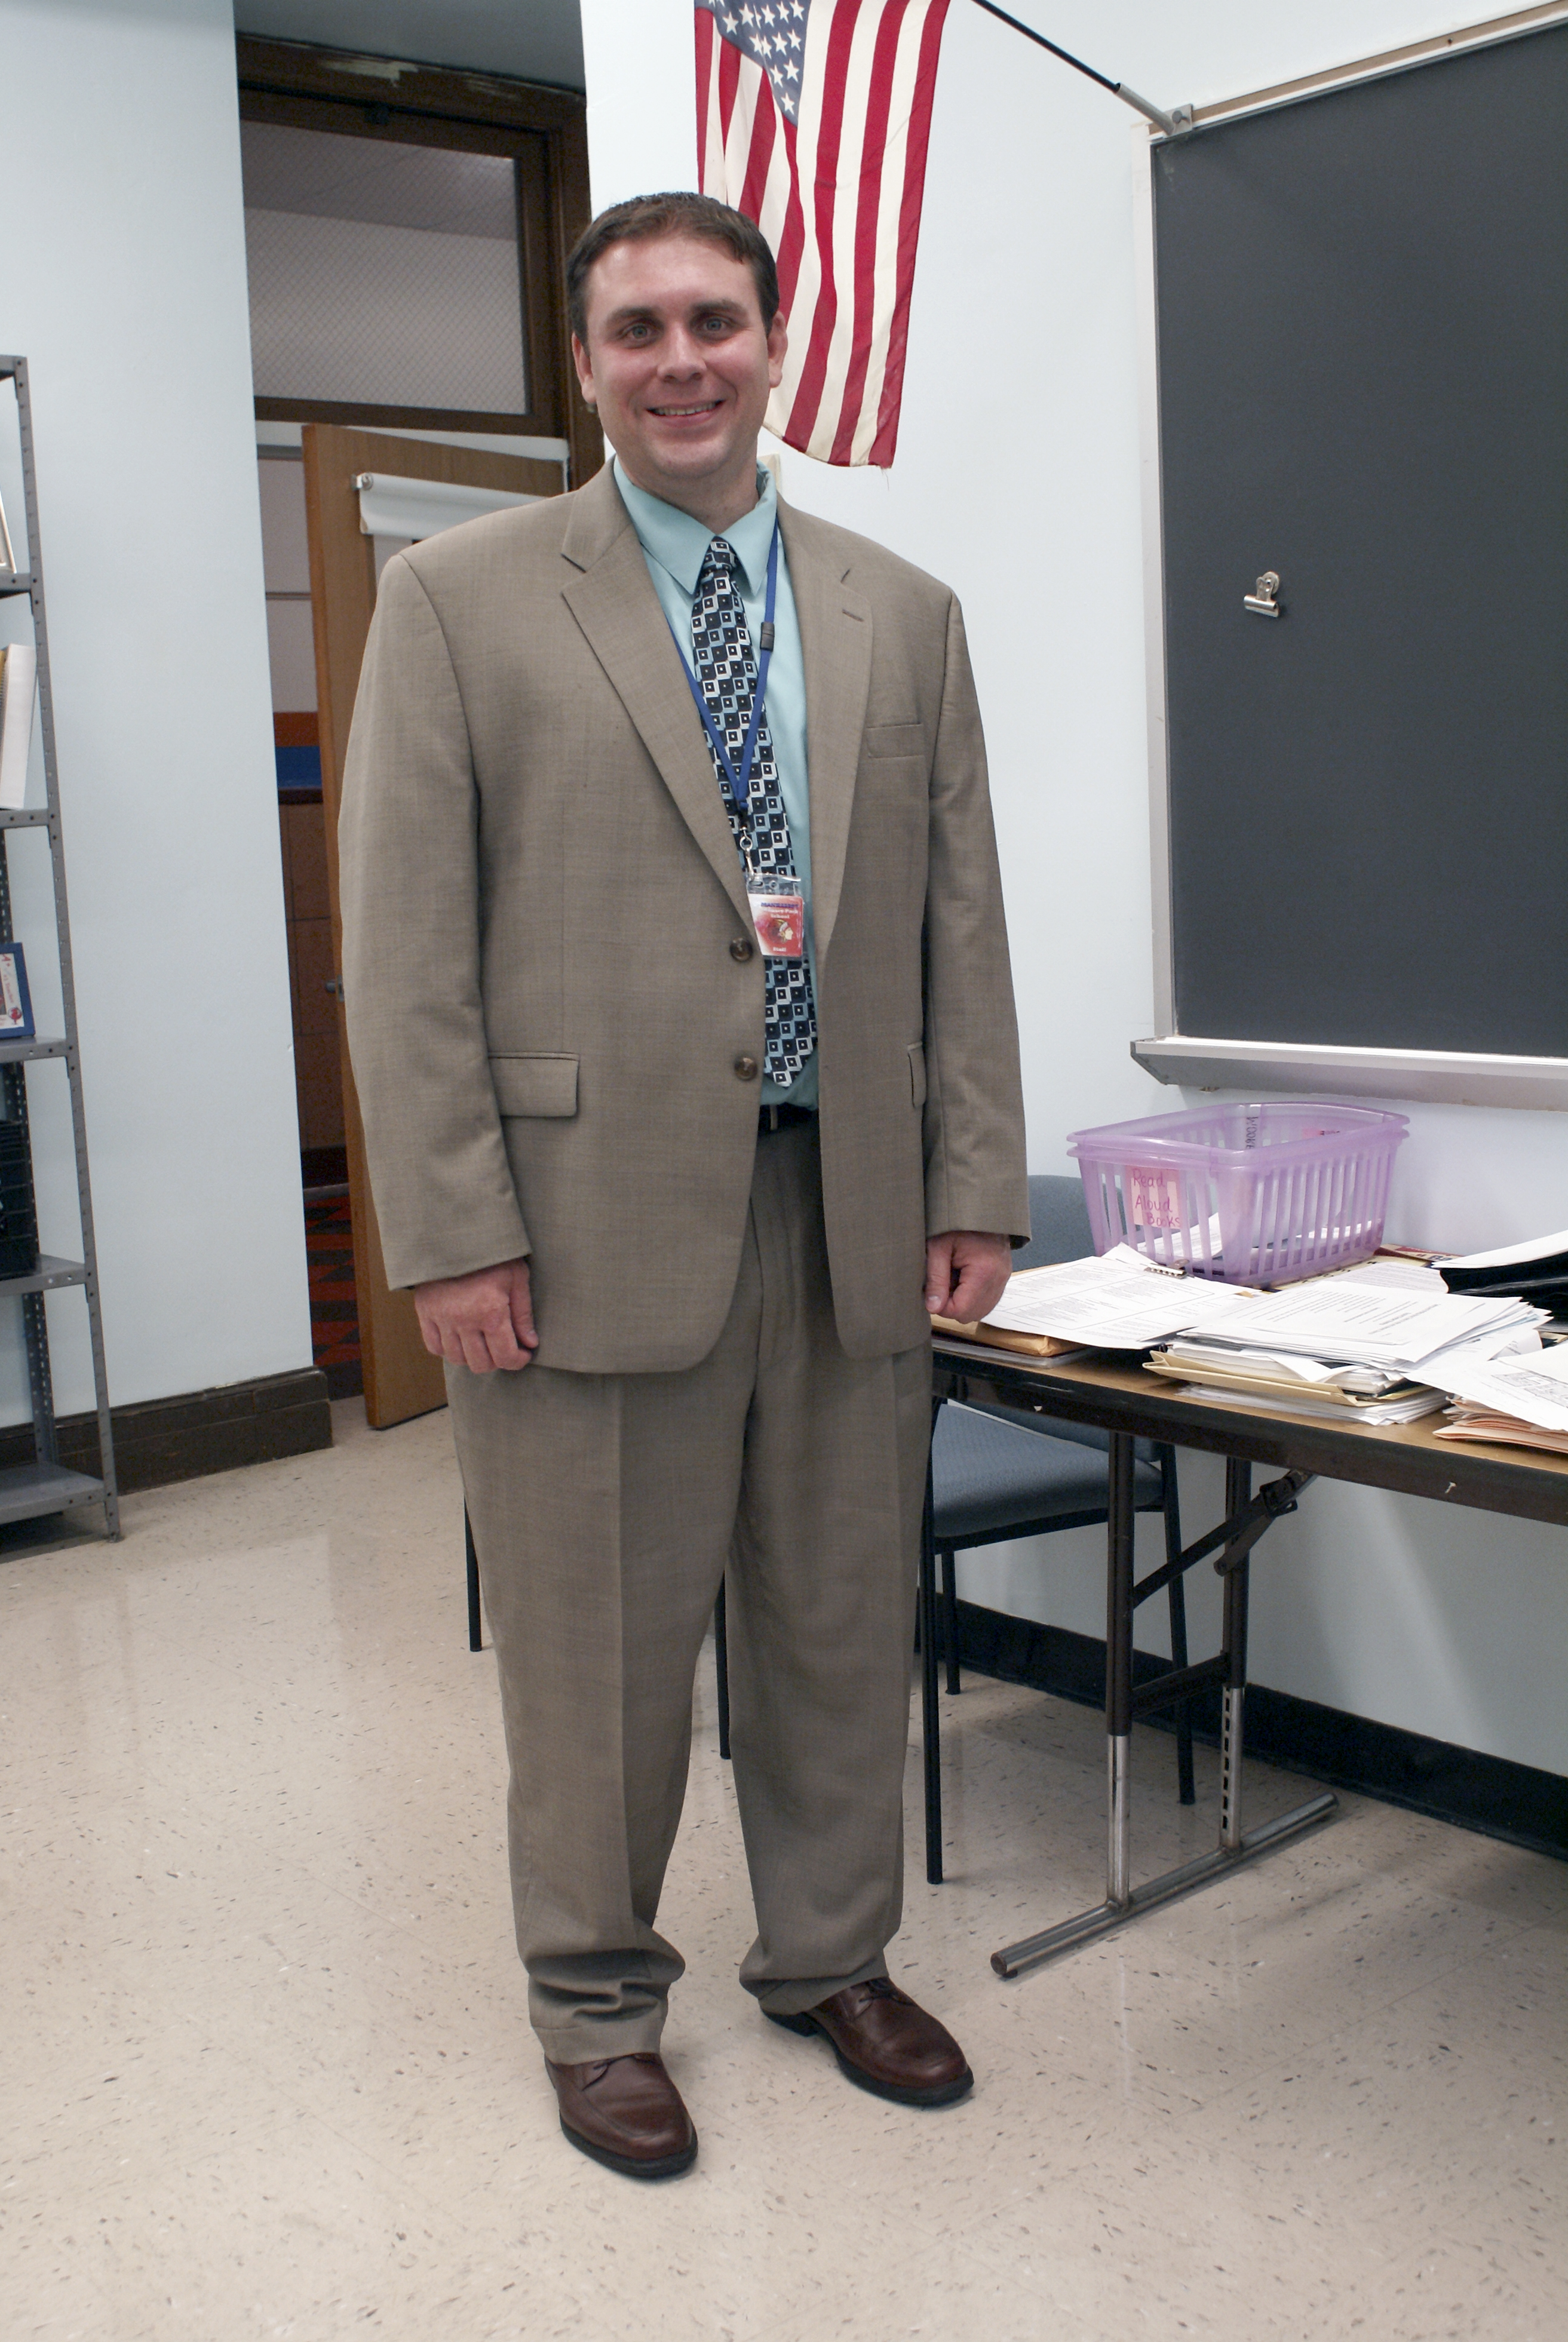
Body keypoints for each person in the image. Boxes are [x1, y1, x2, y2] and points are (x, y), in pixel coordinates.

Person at [339, 191, 1027, 2182]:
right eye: (635, 329)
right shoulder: (460, 598)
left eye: (713, 320)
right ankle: (593, 2001)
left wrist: (971, 1176)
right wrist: (452, 1230)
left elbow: (958, 922)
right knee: (600, 1658)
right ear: (583, 365)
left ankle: (830, 1958)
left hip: (848, 1207)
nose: (680, 361)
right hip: (576, 1230)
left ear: (772, 341)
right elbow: (405, 949)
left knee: (837, 1628)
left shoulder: (902, 611)